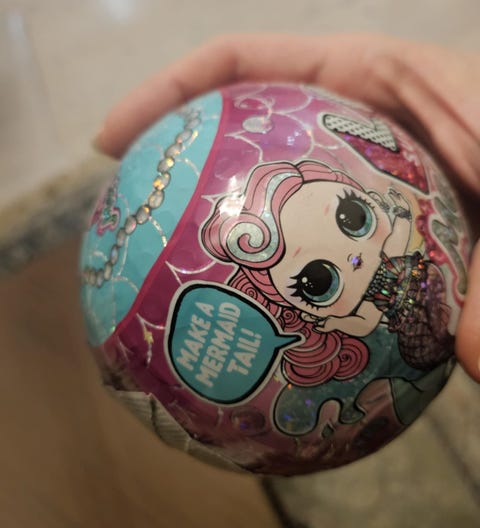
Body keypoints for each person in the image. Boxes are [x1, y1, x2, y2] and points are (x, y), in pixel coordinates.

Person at [94, 33, 480, 383]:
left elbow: (393, 246)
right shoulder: (370, 297)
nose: (355, 260)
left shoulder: (395, 257)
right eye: (317, 283)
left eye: (353, 217)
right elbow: (363, 322)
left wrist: (401, 219)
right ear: (310, 312)